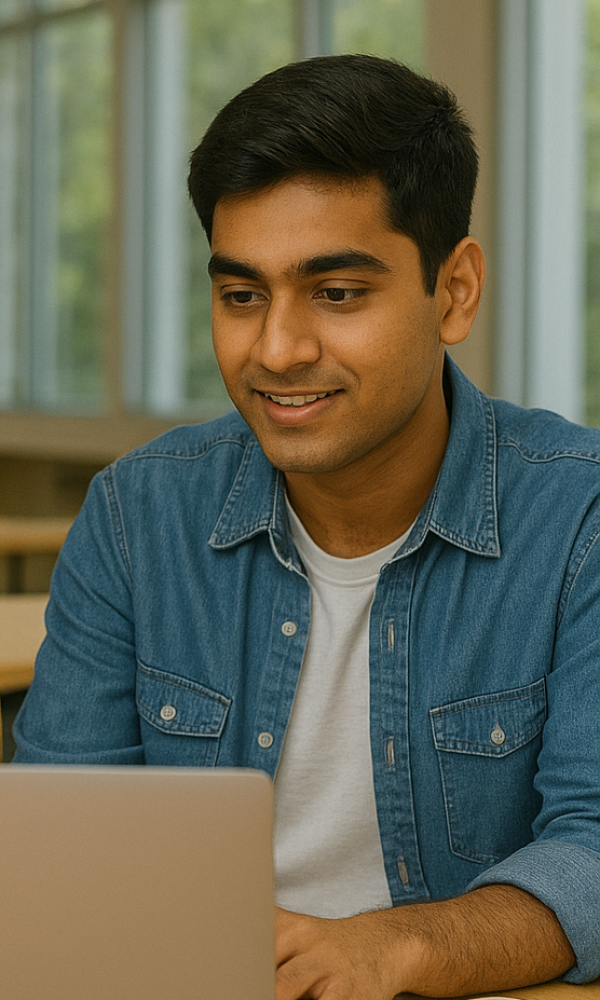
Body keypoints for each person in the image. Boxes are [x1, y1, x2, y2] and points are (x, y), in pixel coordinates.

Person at [13, 55, 600, 1000]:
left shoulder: (580, 518)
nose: (276, 350)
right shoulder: (136, 516)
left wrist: (397, 947)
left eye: (337, 293)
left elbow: (598, 844)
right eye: (242, 295)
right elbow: (59, 847)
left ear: (454, 291)